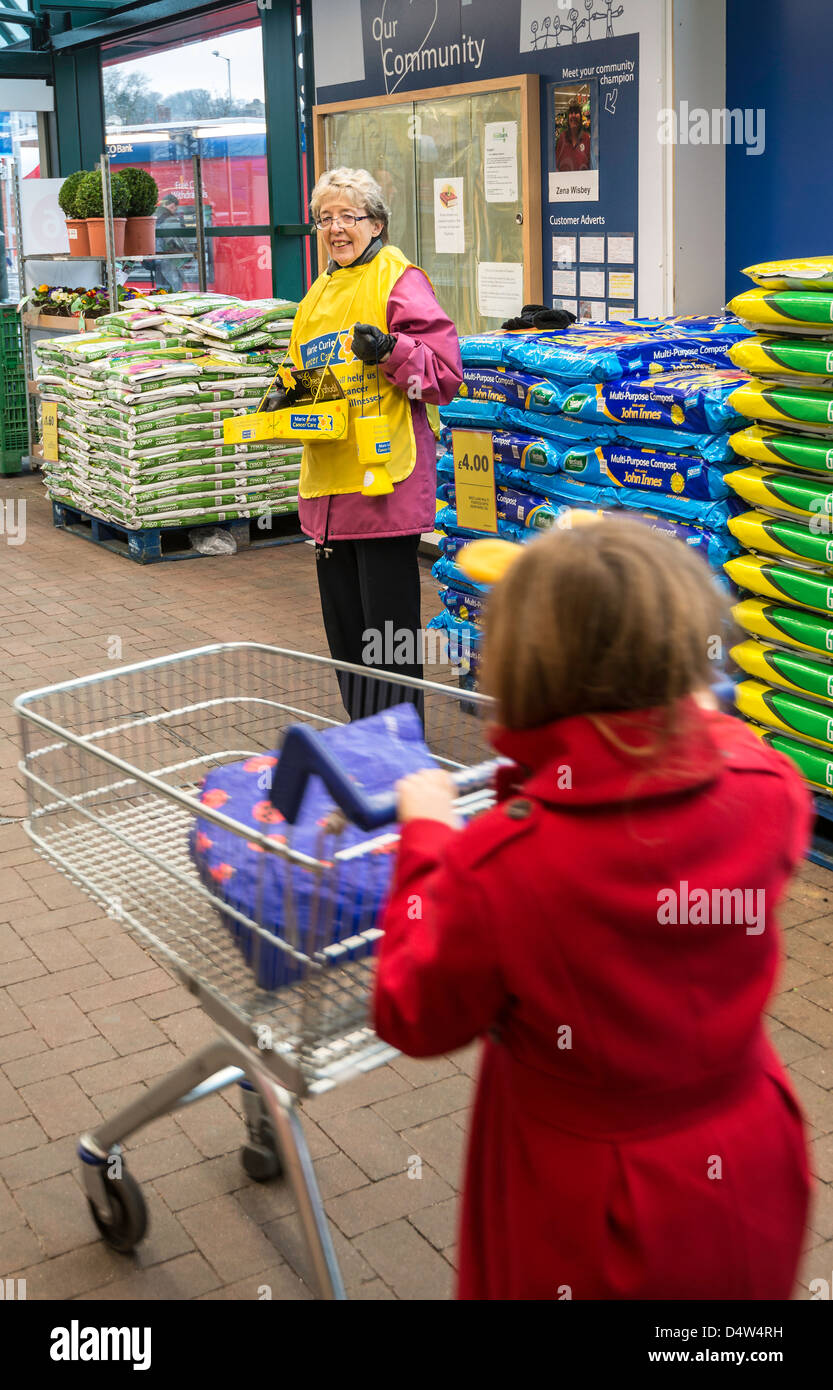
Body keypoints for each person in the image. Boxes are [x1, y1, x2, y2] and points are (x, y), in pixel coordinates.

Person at [374, 517, 811, 1301]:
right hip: (747, 1152)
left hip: (586, 1196)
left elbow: (413, 1014)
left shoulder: (501, 866)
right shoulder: (767, 785)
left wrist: (427, 838)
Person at [286, 167, 462, 718]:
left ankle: (398, 747)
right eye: (326, 219)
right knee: (346, 633)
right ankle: (365, 738)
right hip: (329, 486)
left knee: (386, 633)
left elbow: (445, 378)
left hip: (382, 482)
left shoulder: (400, 279)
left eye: (349, 217)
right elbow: (303, 376)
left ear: (377, 223)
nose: (336, 229)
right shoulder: (318, 292)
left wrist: (390, 350)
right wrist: (282, 400)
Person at [154, 194, 191, 293]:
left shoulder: (154, 216)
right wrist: (187, 252)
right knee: (175, 288)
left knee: (161, 288)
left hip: (157, 258)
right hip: (169, 260)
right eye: (175, 208)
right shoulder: (169, 218)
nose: (175, 211)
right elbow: (175, 242)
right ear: (172, 205)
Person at [556, 101, 591, 172]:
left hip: (583, 182)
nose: (573, 115)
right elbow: (555, 164)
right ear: (568, 118)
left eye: (576, 112)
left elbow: (591, 164)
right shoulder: (562, 138)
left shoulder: (586, 138)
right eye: (571, 113)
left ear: (581, 117)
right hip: (564, 182)